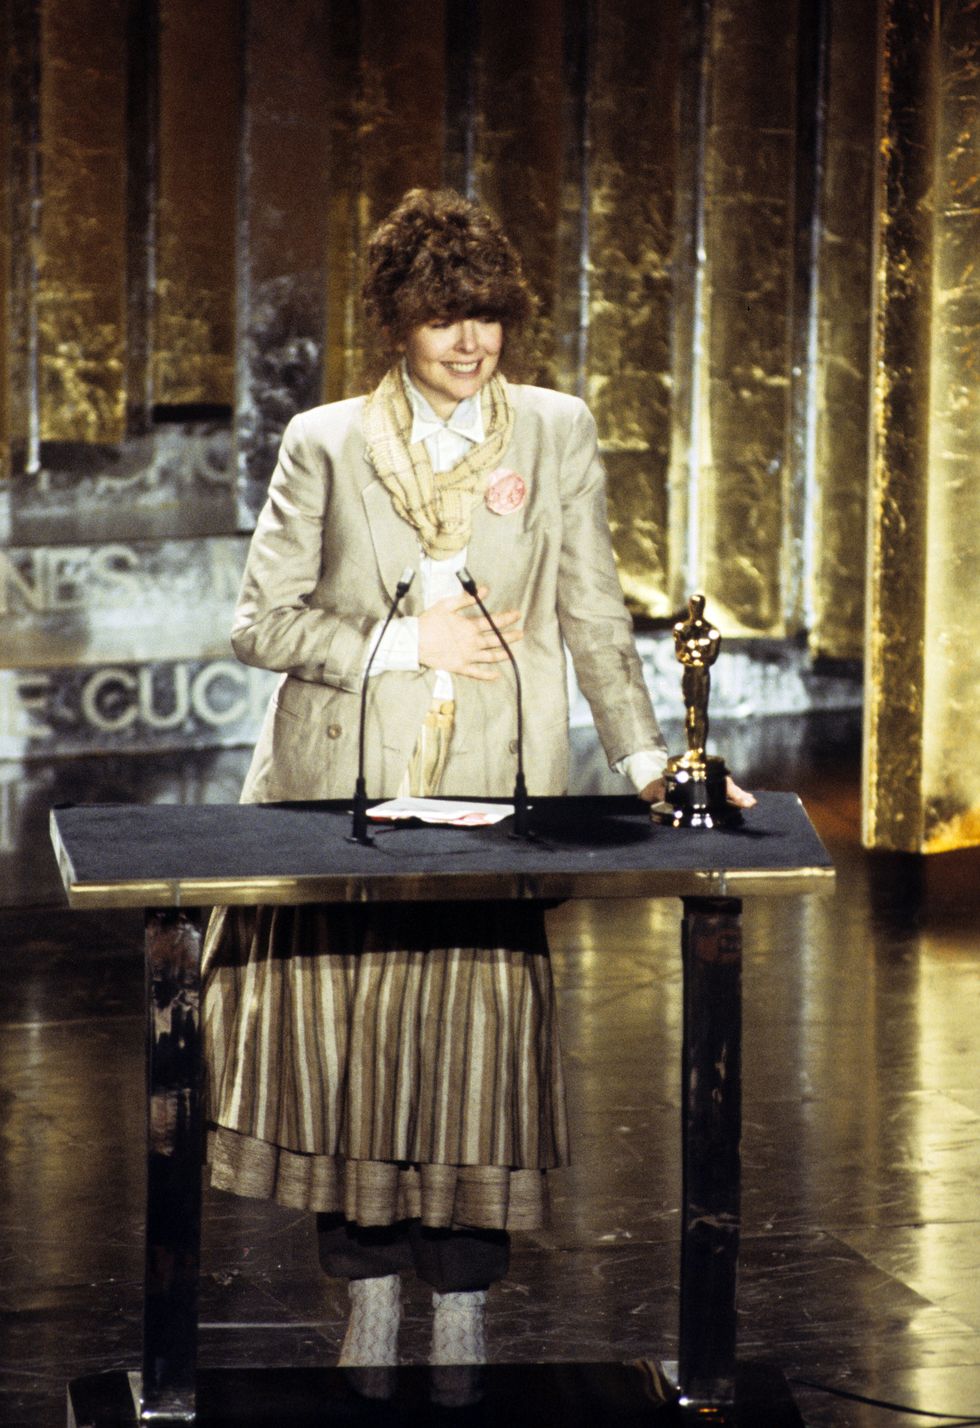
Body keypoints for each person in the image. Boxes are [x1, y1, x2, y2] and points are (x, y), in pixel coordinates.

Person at [202, 188, 754, 1389]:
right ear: (395, 323)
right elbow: (258, 623)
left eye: (487, 316)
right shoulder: (327, 441)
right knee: (354, 1050)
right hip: (345, 790)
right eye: (441, 316)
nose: (468, 341)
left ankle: (460, 1305)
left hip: (497, 792)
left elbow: (592, 612)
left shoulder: (553, 431)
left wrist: (648, 761)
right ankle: (365, 1298)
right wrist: (406, 644)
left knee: (476, 1054)